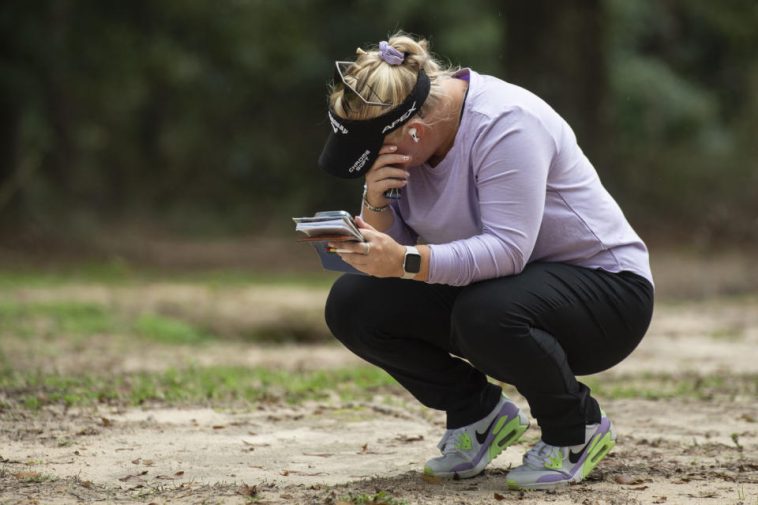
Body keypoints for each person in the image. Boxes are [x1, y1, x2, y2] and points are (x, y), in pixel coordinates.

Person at [317, 32, 654, 490]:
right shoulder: (407, 148)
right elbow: (395, 252)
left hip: (607, 293)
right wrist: (376, 203)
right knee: (354, 303)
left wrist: (405, 262)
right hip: (498, 287)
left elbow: (507, 250)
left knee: (487, 312)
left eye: (371, 152)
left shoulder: (506, 122)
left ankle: (575, 430)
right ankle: (479, 415)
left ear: (413, 132)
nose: (369, 161)